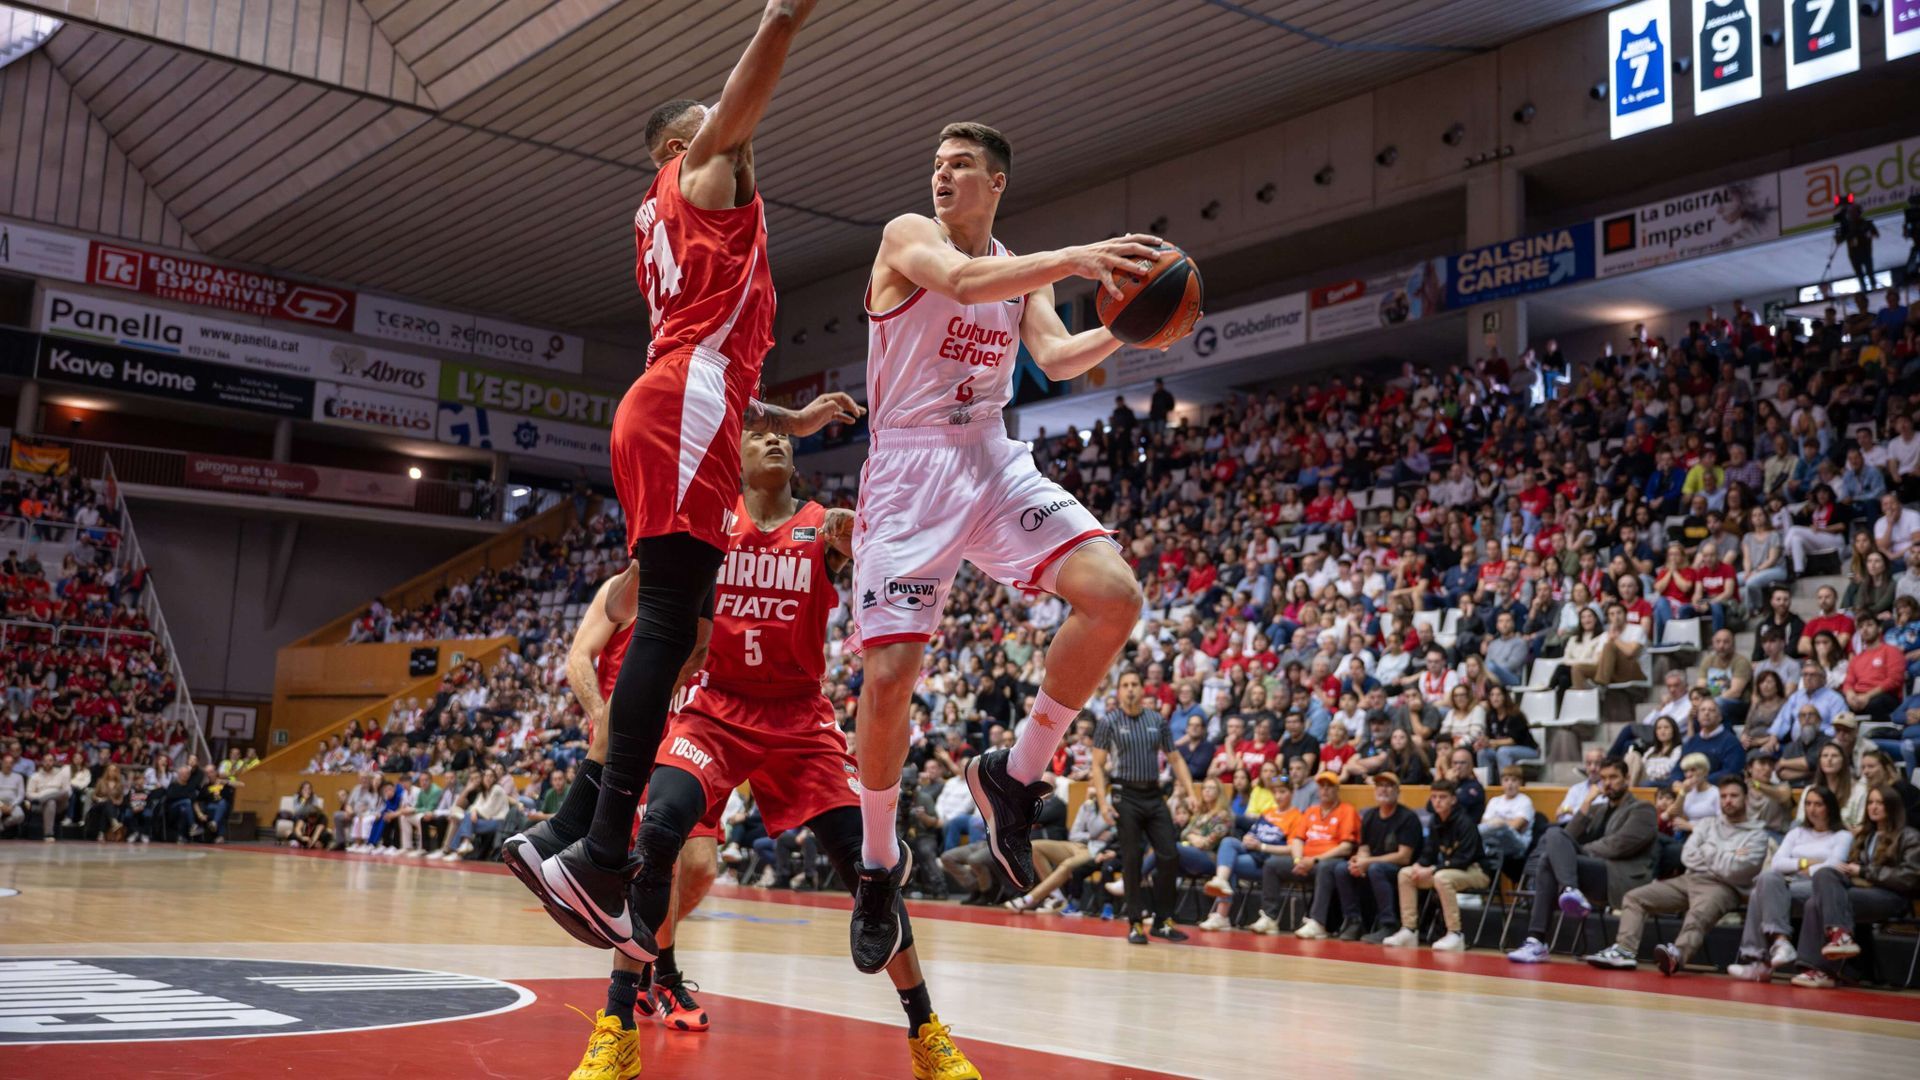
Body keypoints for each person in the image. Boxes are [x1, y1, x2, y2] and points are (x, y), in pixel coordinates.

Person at [529, 0, 863, 966]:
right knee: (672, 622)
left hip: (687, 403)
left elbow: (724, 365)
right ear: (684, 142)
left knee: (679, 614)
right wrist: (782, 22)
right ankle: (596, 856)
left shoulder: (685, 218)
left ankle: (572, 837)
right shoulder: (702, 172)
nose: (750, 147)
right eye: (724, 134)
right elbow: (735, 106)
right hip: (685, 405)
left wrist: (787, 423)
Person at [846, 119, 1194, 978]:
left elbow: (1059, 356)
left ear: (995, 182)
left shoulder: (1021, 269)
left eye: (960, 166)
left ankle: (1015, 773)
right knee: (890, 680)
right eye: (937, 164)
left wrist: (1133, 326)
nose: (942, 176)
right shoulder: (909, 237)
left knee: (1114, 595)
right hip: (908, 469)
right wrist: (1076, 259)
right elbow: (960, 283)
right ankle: (879, 863)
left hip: (989, 456)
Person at [580, 429, 980, 1079]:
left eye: (783, 436)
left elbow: (888, 545)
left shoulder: (827, 529)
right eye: (757, 434)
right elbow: (643, 592)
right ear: (732, 461)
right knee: (657, 835)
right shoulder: (712, 524)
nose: (773, 439)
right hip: (716, 713)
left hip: (800, 719)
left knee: (868, 870)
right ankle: (617, 1024)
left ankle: (926, 1032)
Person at [1585, 773, 1770, 973]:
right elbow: (1688, 856)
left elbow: (1735, 871)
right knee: (1634, 897)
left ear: (1746, 799)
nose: (1728, 801)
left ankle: (1676, 956)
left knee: (1697, 915)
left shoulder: (1757, 835)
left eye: (1734, 796)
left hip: (1724, 887)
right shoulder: (1708, 824)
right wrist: (1728, 854)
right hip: (1689, 879)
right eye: (1724, 796)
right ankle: (1624, 951)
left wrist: (1707, 849)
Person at [1508, 757, 1656, 963]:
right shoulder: (1598, 809)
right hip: (1595, 872)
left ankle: (1547, 926)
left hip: (1622, 877)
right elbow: (1568, 835)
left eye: (1614, 777)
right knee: (1553, 837)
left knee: (1551, 858)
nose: (1608, 783)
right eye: (1604, 779)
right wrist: (1586, 802)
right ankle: (1537, 939)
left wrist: (1575, 854)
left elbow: (1618, 846)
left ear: (1627, 779)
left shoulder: (1643, 809)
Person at [1091, 670, 1200, 945]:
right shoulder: (1109, 722)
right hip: (1124, 795)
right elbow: (1097, 764)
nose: (1130, 689)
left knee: (1169, 854)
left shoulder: (1157, 720)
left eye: (1135, 684)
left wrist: (1190, 792)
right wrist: (1103, 803)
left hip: (1153, 794)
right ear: (1118, 691)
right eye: (1125, 685)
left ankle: (1163, 921)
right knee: (1131, 858)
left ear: (1143, 689)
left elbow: (1175, 759)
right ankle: (1135, 923)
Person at [1787, 786, 1920, 988]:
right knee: (1819, 889)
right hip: (1863, 892)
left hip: (1892, 897)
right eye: (1870, 802)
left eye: (1879, 803)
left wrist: (1864, 872)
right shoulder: (1865, 836)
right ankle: (1828, 951)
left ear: (1893, 807)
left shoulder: (1910, 836)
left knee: (1826, 900)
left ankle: (1827, 964)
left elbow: (1910, 877)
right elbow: (1854, 869)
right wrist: (1847, 871)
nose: (1873, 807)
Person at [1727, 786, 1852, 981]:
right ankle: (1781, 942)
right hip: (1790, 883)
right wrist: (1805, 863)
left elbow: (1833, 867)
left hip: (1820, 887)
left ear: (1830, 807)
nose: (1812, 809)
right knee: (1767, 878)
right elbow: (1777, 864)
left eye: (1818, 804)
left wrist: (1799, 867)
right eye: (1808, 803)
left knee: (1759, 892)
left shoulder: (1842, 836)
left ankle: (1760, 963)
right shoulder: (1797, 832)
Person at [1384, 778, 1488, 951]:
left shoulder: (1465, 823)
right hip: (1448, 869)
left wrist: (1432, 869)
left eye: (1442, 797)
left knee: (1441, 877)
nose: (1438, 801)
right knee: (1406, 874)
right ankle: (1409, 930)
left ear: (1453, 800)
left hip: (1476, 871)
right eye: (1434, 797)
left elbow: (1464, 859)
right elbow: (1429, 853)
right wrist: (1419, 866)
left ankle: (1455, 933)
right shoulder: (1435, 821)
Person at [1279, 771, 1364, 940]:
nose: (1325, 790)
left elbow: (1346, 848)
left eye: (1329, 786)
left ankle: (1317, 923)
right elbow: (1297, 839)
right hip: (1304, 861)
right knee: (1273, 864)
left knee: (1325, 867)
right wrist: (1298, 860)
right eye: (1321, 787)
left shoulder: (1347, 810)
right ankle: (1269, 918)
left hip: (1329, 861)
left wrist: (1315, 860)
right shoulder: (1310, 811)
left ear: (1337, 789)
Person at [1479, 766, 1535, 872]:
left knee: (1501, 826)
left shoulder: (1525, 801)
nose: (1510, 784)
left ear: (1520, 783)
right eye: (1506, 780)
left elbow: (1516, 825)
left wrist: (1499, 823)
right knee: (1476, 833)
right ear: (1501, 782)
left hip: (1517, 844)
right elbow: (1483, 824)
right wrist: (1497, 824)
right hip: (1494, 841)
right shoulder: (1494, 801)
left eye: (1514, 780)